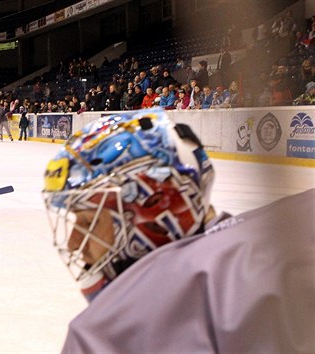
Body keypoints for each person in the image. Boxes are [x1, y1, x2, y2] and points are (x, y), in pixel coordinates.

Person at [43, 108, 314, 353]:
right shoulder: (296, 231)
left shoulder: (108, 333)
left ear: (154, 208)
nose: (73, 243)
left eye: (89, 223)